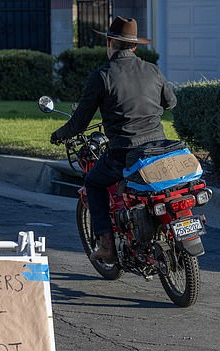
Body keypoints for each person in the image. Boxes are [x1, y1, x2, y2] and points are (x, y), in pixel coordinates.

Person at [51, 16, 177, 264]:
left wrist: (59, 134)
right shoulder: (152, 70)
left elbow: (80, 122)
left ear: (110, 43)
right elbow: (170, 102)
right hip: (157, 150)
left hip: (124, 152)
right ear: (135, 46)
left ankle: (106, 245)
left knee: (94, 182)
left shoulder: (102, 76)